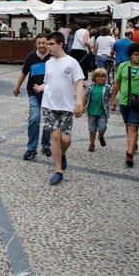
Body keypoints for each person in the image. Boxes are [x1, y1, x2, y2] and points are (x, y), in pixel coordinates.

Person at [33, 32, 85, 185]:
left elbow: (79, 83)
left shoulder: (72, 62)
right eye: (46, 44)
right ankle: (58, 170)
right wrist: (41, 87)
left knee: (66, 139)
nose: (47, 47)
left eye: (50, 44)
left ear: (60, 44)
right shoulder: (48, 63)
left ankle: (61, 154)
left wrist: (79, 102)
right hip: (49, 105)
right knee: (55, 136)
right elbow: (49, 82)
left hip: (66, 106)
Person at [12, 34, 52, 160]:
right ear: (36, 44)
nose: (41, 45)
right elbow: (24, 73)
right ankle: (31, 147)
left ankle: (46, 145)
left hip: (49, 94)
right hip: (33, 93)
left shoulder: (52, 57)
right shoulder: (31, 56)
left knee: (47, 121)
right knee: (34, 118)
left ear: (48, 44)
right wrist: (17, 87)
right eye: (39, 43)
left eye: (44, 43)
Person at [84, 68, 112, 152]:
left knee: (102, 127)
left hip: (102, 112)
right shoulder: (90, 87)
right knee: (92, 129)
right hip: (91, 112)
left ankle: (101, 136)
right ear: (94, 78)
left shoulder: (107, 87)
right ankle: (91, 144)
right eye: (99, 77)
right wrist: (82, 106)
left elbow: (111, 96)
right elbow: (85, 97)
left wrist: (113, 103)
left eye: (103, 76)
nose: (101, 78)